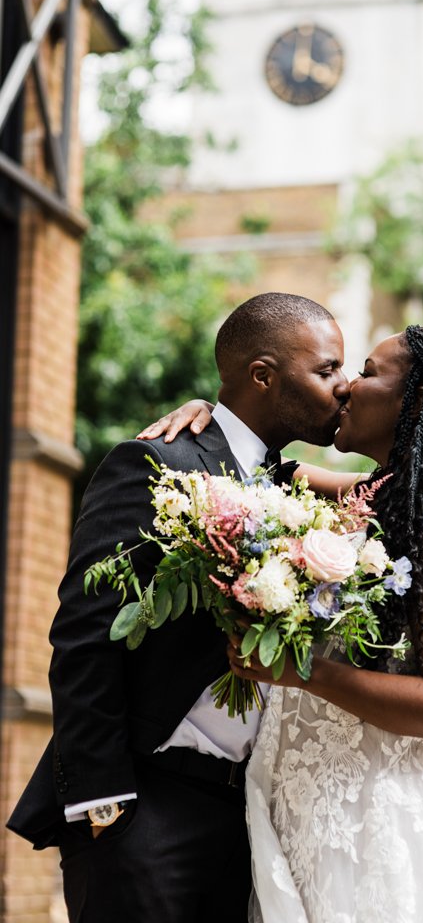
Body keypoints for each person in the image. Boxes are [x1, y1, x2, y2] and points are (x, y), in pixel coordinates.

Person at [149, 323, 423, 923]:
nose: (349, 386)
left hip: (382, 823)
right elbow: (279, 477)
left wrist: (305, 672)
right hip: (313, 807)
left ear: (418, 402)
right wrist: (217, 413)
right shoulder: (386, 499)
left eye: (370, 372)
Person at [7, 292, 350, 923]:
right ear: (263, 375)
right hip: (146, 809)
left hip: (248, 817)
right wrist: (105, 807)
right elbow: (84, 635)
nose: (344, 386)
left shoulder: (291, 488)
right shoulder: (157, 464)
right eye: (326, 370)